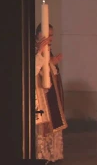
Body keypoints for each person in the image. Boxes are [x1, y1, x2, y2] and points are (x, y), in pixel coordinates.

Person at [35, 23, 66, 163]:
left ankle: (50, 157)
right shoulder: (34, 49)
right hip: (39, 98)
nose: (51, 39)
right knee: (42, 129)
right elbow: (34, 70)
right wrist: (41, 54)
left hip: (50, 96)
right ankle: (42, 157)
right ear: (39, 35)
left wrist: (52, 62)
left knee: (53, 126)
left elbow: (49, 71)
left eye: (52, 35)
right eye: (48, 35)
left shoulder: (48, 50)